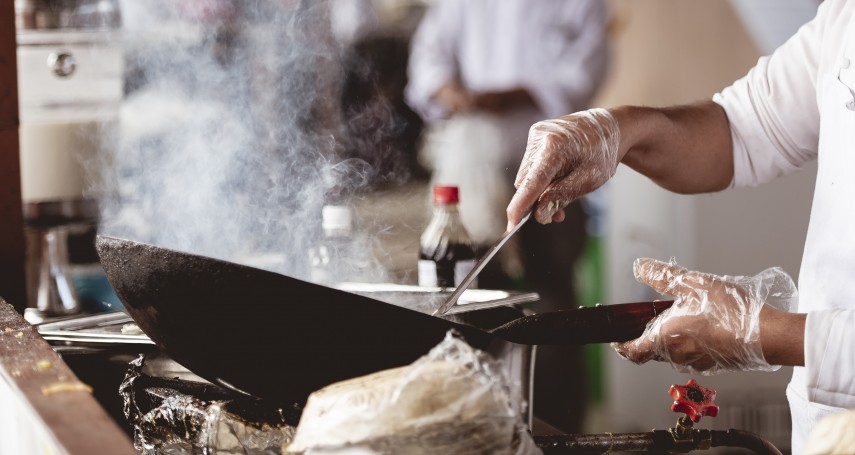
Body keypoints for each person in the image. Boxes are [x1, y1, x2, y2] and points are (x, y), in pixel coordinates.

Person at [506, 0, 854, 451]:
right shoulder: (845, 17)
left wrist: (764, 335)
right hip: (826, 428)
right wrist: (619, 128)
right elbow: (742, 131)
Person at [405, 0, 609, 433]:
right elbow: (427, 59)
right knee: (478, 305)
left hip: (558, 170)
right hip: (479, 177)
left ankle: (560, 432)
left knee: (553, 307)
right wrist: (451, 92)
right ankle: (490, 429)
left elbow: (586, 71)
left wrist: (513, 95)